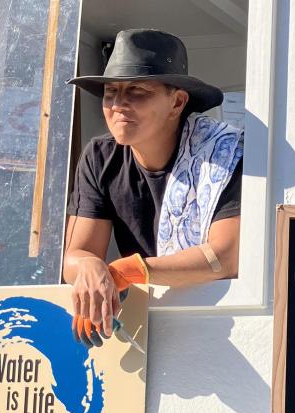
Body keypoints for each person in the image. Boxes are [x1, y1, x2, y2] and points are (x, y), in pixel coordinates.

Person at [64, 29, 243, 345]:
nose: (118, 104)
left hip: (220, 324)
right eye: (110, 93)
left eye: (136, 91)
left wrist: (126, 271)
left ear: (177, 102)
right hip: (147, 327)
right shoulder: (99, 157)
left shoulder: (226, 154)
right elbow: (73, 259)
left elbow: (225, 257)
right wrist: (91, 268)